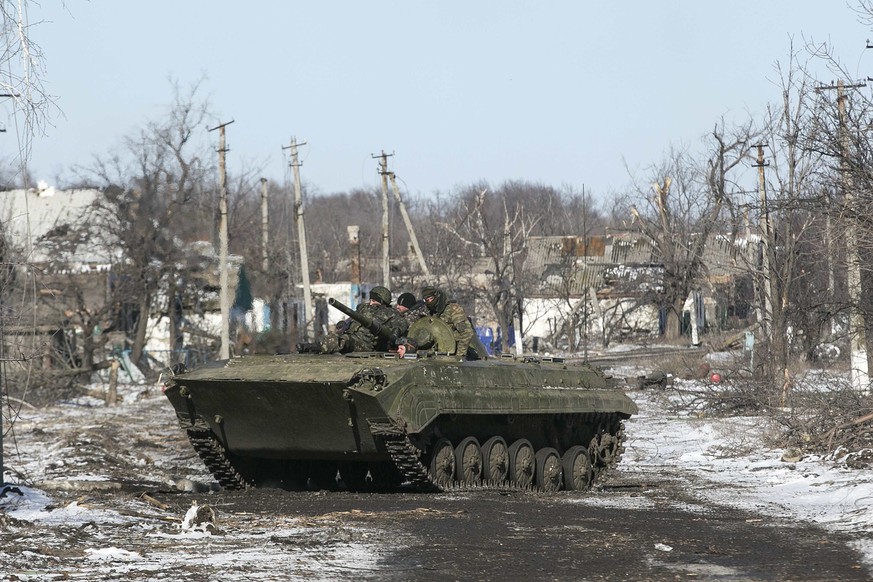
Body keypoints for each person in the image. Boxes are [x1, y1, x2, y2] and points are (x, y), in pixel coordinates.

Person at [320, 286, 408, 353]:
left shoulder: (391, 313)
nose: (370, 303)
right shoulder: (363, 308)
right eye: (370, 300)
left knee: (334, 342)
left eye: (373, 300)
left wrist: (396, 332)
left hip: (365, 344)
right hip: (351, 336)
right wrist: (344, 323)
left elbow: (402, 323)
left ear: (382, 301)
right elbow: (352, 317)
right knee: (330, 339)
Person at [419, 286, 476, 359]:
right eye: (427, 300)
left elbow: (467, 332)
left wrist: (459, 356)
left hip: (455, 351)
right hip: (435, 354)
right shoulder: (427, 311)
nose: (430, 302)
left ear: (437, 296)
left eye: (431, 299)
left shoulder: (452, 309)